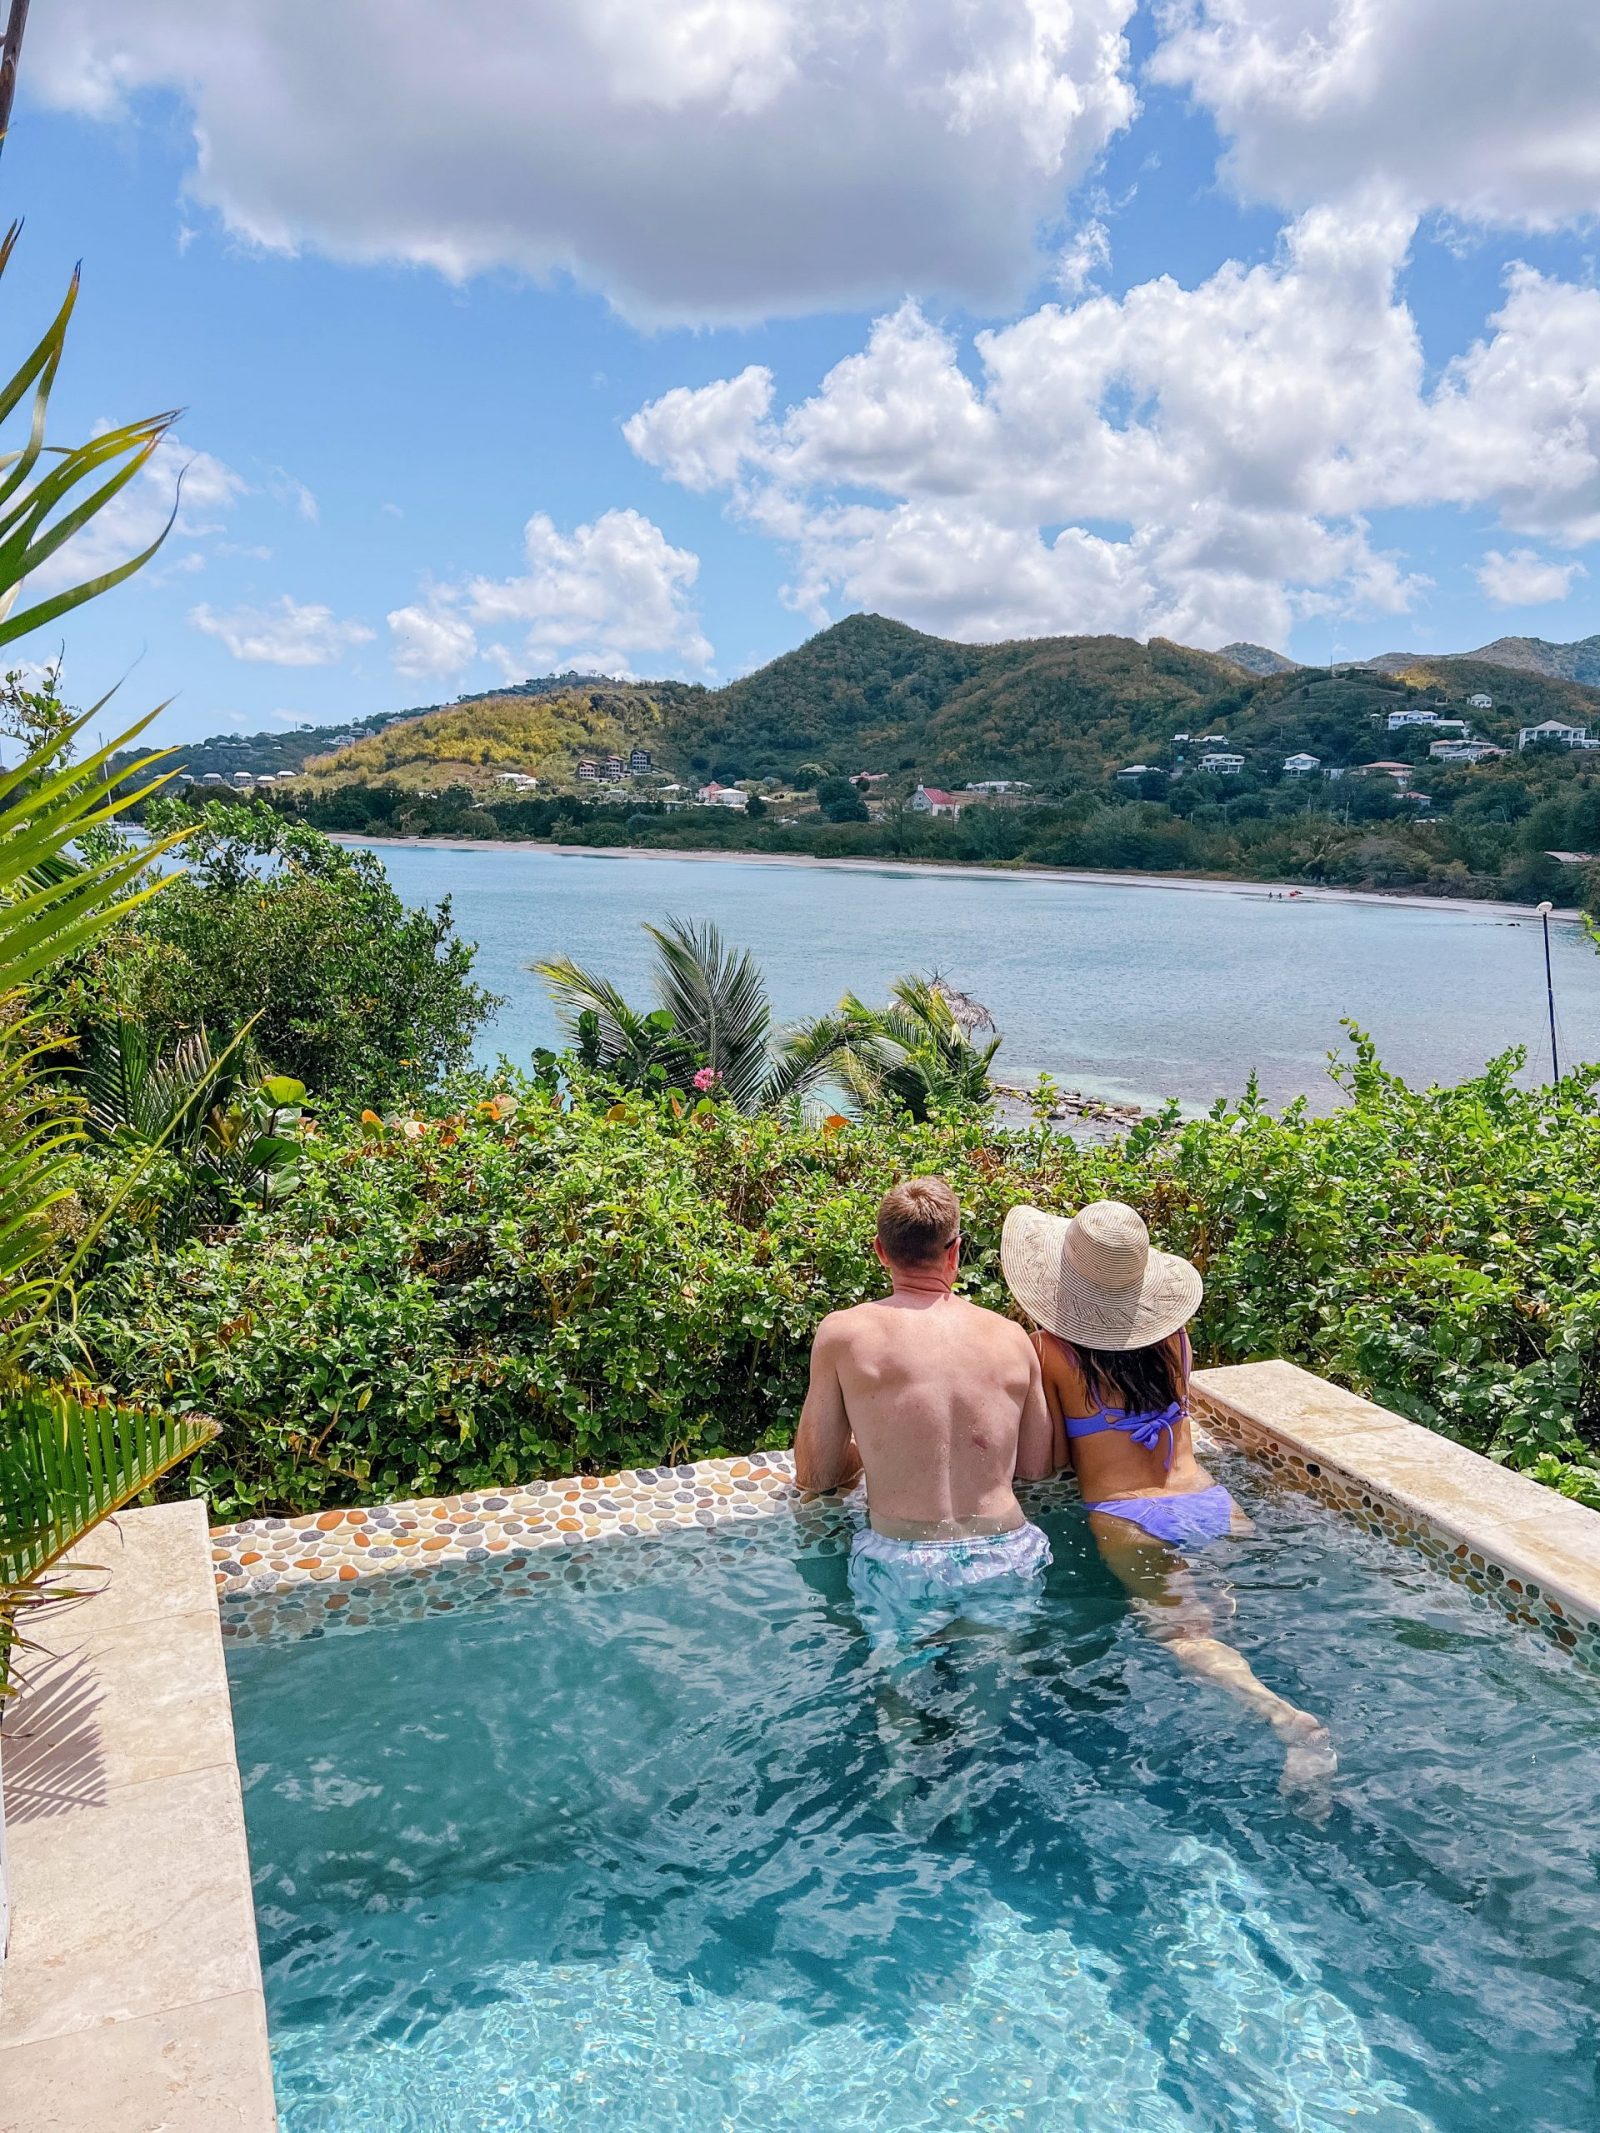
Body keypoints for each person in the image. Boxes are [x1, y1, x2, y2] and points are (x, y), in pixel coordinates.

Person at [1001, 1197, 1335, 1793]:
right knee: (1231, 1617)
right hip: (1210, 1502)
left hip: (1131, 1514)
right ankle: (1282, 1692)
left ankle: (1288, 1721)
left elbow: (1045, 1461)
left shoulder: (1050, 1350)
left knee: (1186, 1635)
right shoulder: (1174, 1340)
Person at [794, 1175, 1056, 1642]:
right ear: (954, 1251)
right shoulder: (1013, 1338)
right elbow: (1037, 1468)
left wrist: (868, 1455)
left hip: (903, 1555)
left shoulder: (843, 1334)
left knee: (900, 1707)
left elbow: (817, 1475)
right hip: (1006, 1551)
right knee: (990, 1698)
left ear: (880, 1250)